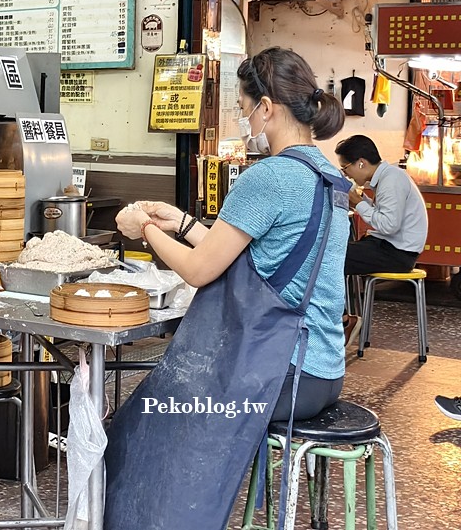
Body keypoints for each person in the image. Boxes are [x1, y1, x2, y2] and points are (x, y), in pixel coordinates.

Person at [106, 47, 350, 530]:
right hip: (323, 372)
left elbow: (199, 270)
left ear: (267, 107)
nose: (243, 118)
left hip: (279, 374)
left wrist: (143, 230)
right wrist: (180, 221)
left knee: (148, 412)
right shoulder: (328, 176)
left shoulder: (271, 176)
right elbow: (242, 255)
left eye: (243, 107)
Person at [335, 134, 427, 275]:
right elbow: (382, 214)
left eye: (345, 168)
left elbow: (389, 225)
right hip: (389, 246)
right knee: (335, 249)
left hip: (398, 254)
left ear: (361, 163)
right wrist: (359, 200)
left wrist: (358, 203)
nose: (346, 174)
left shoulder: (391, 180)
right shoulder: (388, 176)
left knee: (331, 256)